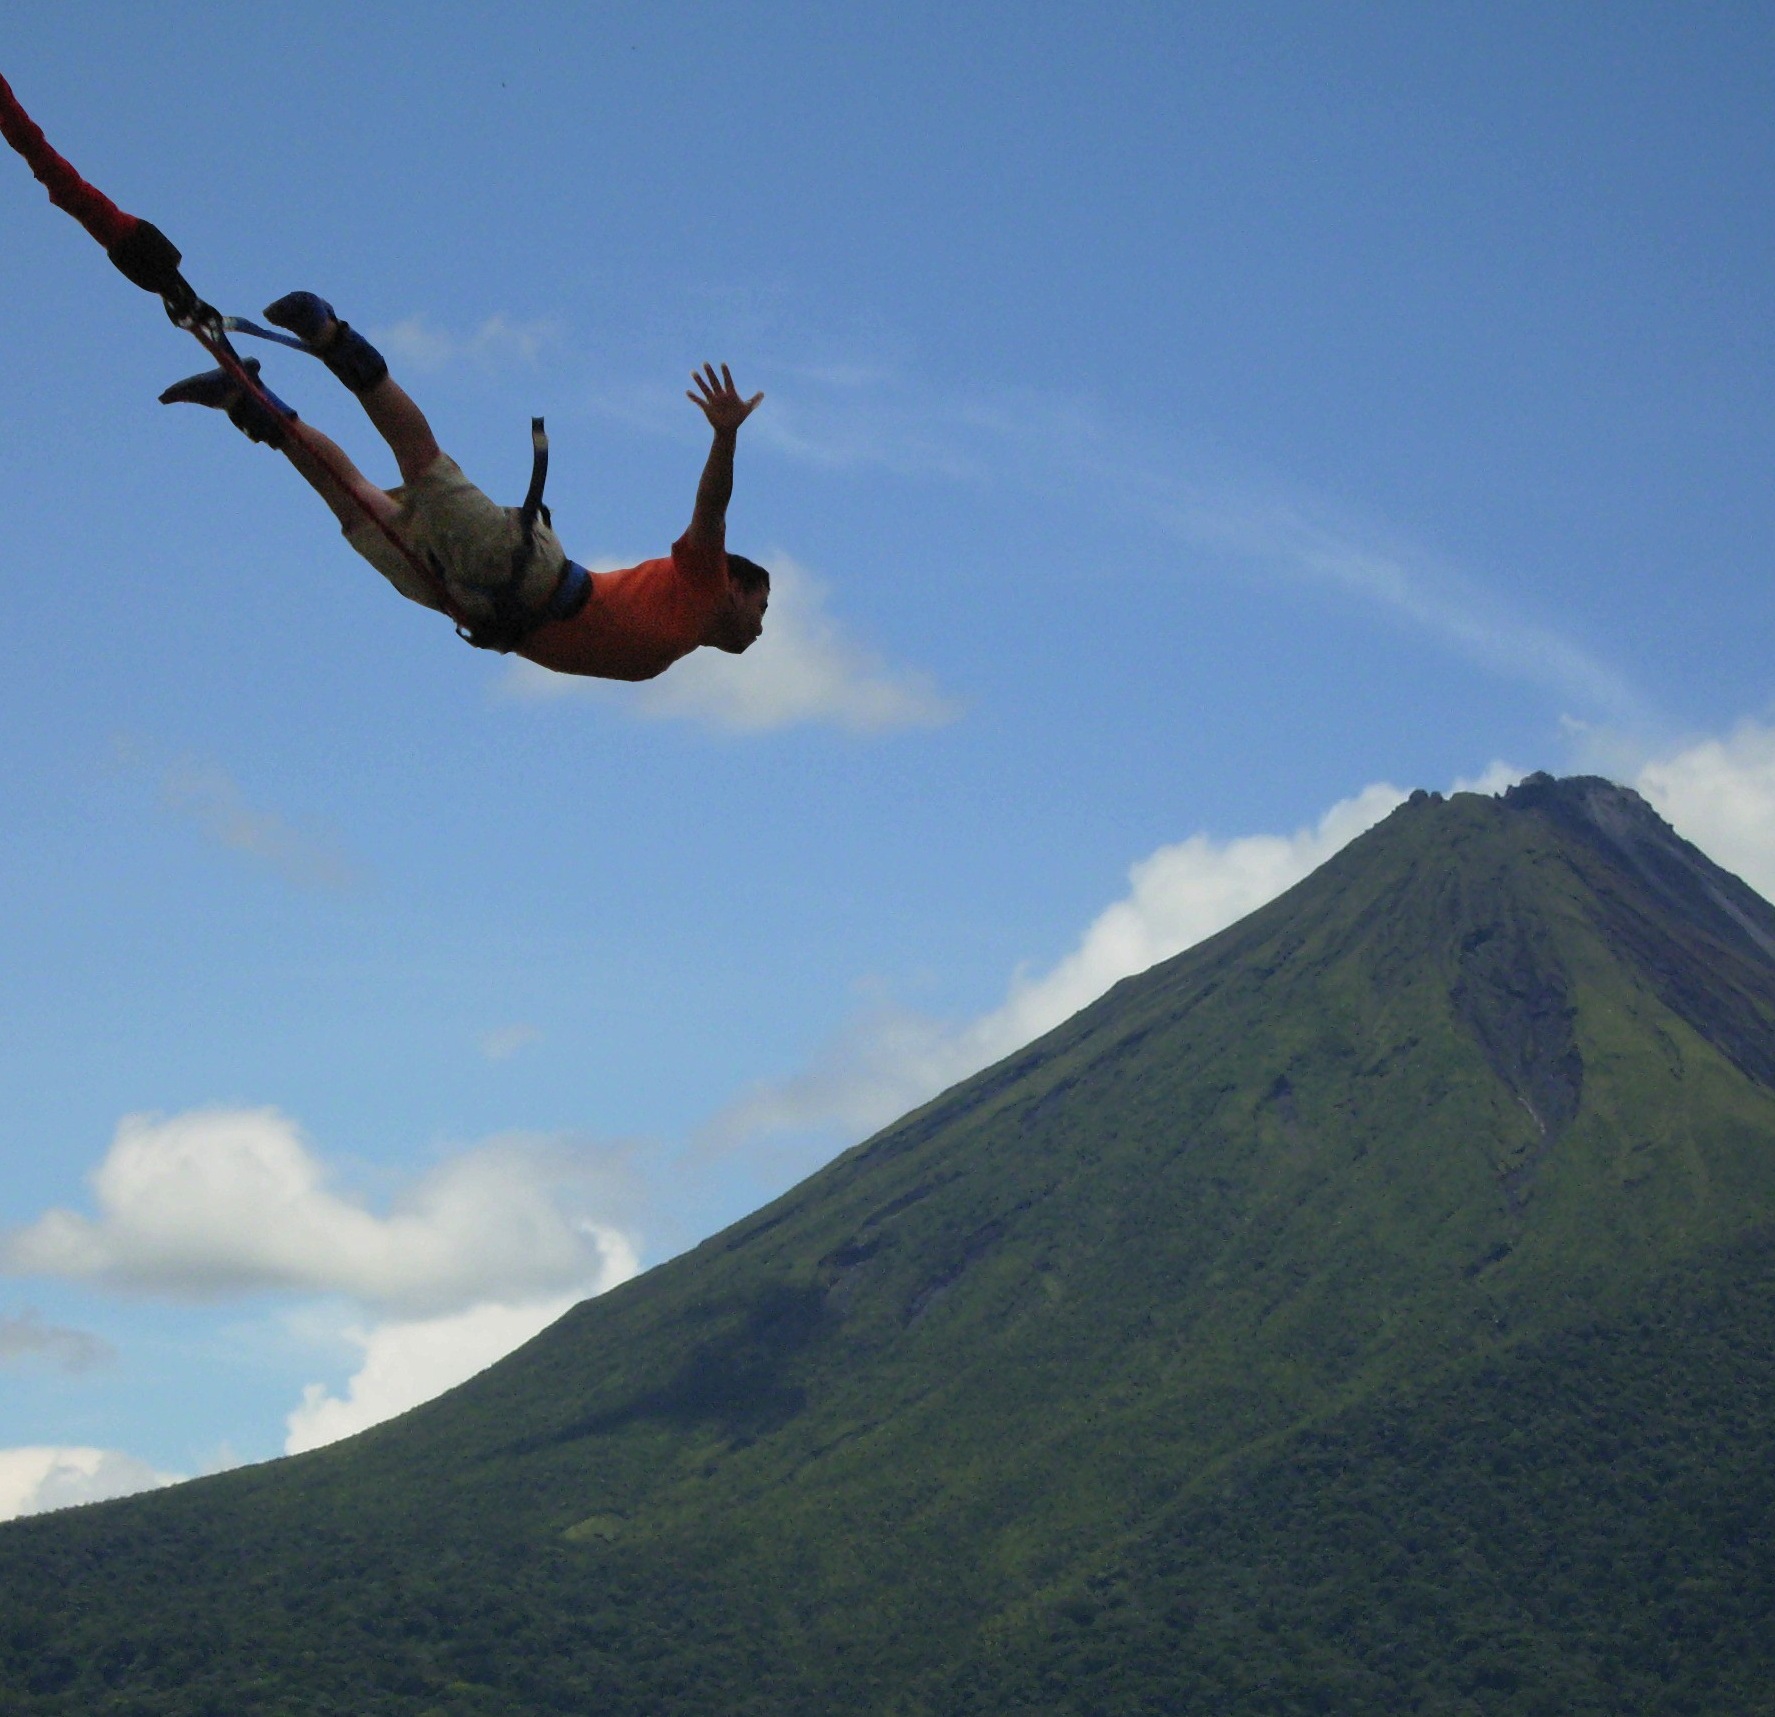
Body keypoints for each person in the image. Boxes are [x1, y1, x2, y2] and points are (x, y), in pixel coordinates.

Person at [159, 292, 769, 673]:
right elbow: (712, 506)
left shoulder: (682, 641)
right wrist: (725, 435)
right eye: (762, 607)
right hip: (520, 571)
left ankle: (247, 399)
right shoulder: (701, 583)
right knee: (422, 465)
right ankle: (332, 336)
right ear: (735, 587)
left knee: (353, 506)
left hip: (478, 605)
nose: (763, 627)